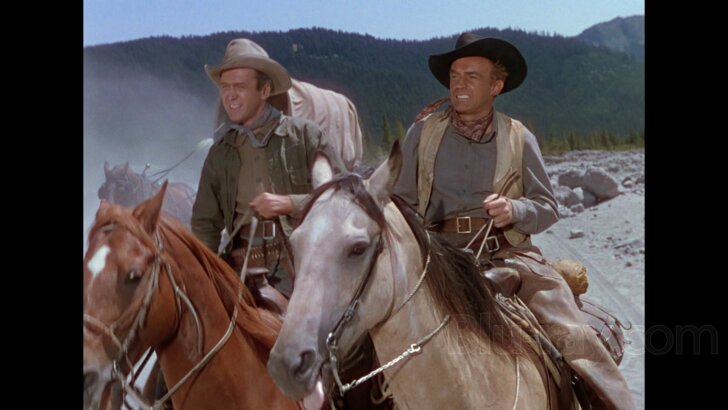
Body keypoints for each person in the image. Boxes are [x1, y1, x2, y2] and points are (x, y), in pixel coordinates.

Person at [394, 32, 636, 410]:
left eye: (472, 76)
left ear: (496, 86)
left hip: (508, 257)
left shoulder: (519, 137)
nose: (460, 84)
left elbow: (547, 206)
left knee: (575, 337)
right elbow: (399, 202)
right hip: (434, 258)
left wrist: (515, 210)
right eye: (455, 76)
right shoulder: (421, 134)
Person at [192, 38, 345, 300]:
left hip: (301, 264)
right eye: (225, 87)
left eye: (240, 86)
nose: (230, 95)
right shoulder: (220, 153)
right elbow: (205, 224)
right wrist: (203, 277)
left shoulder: (306, 137)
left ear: (264, 90)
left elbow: (345, 198)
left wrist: (290, 203)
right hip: (239, 267)